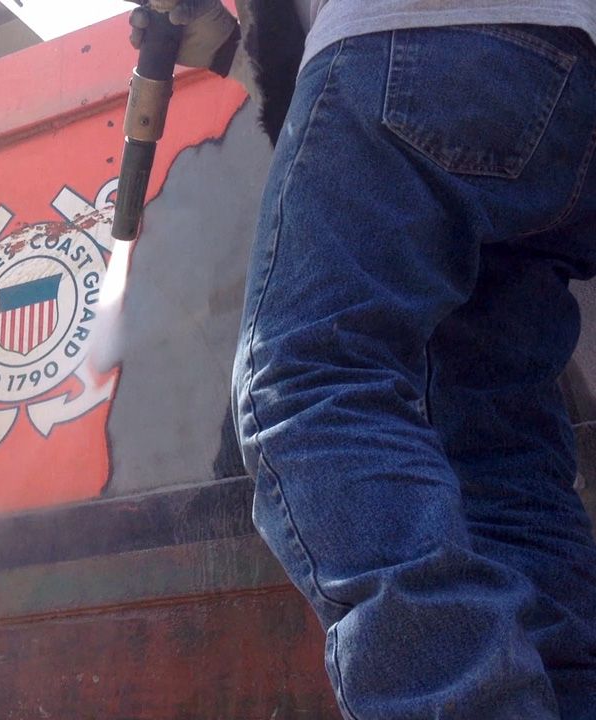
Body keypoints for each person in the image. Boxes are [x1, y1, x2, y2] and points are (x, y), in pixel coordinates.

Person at [130, 1, 596, 718]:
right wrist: (224, 48)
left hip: (419, 33)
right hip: (567, 73)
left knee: (312, 380)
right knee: (498, 460)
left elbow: (335, 90)